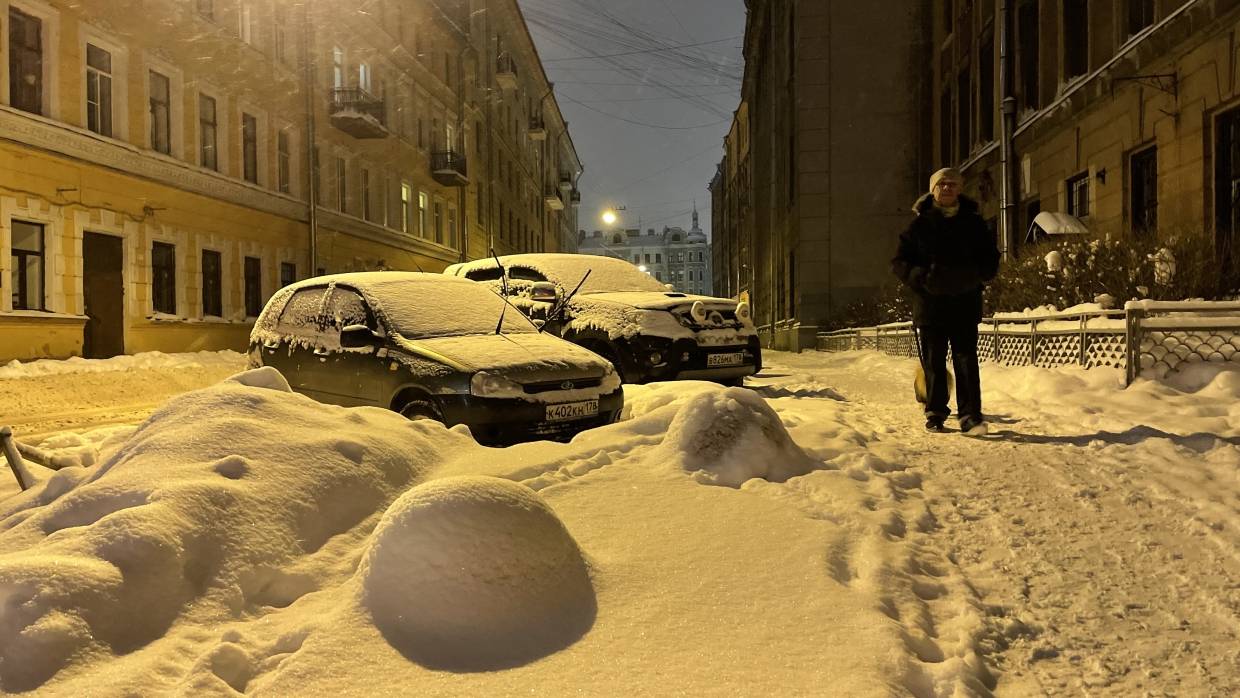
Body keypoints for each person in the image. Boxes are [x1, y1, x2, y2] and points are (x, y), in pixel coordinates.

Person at [892, 168, 1000, 434]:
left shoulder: (974, 223)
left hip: (964, 303)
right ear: (933, 190)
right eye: (942, 184)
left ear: (960, 189)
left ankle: (970, 416)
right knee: (934, 362)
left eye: (953, 184)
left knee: (966, 361)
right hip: (931, 306)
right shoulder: (919, 226)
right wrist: (922, 277)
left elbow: (991, 257)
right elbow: (899, 262)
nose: (948, 188)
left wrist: (978, 275)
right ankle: (936, 412)